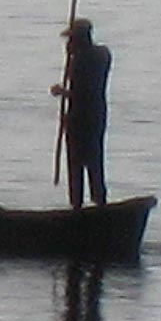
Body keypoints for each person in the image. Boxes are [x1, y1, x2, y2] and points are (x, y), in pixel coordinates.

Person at [51, 17, 112, 208]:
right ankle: (97, 201)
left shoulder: (83, 61)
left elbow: (84, 93)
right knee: (94, 161)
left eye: (72, 40)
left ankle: (78, 205)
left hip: (81, 120)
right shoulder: (100, 56)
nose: (69, 44)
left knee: (78, 164)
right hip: (95, 118)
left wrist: (63, 92)